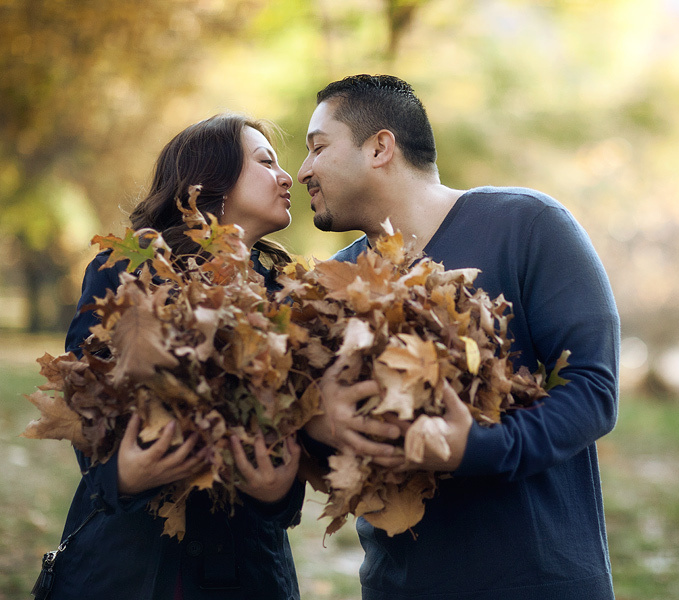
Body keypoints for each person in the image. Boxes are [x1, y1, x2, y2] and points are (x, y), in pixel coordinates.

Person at [298, 74, 620, 600]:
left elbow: (593, 391)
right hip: (398, 587)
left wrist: (478, 447)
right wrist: (318, 417)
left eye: (317, 148)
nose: (304, 170)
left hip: (537, 583)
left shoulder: (527, 226)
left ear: (380, 147)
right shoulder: (331, 284)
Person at [55, 113, 305, 600]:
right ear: (212, 179)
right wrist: (121, 476)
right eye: (265, 161)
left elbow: (300, 431)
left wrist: (279, 493)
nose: (286, 175)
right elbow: (85, 392)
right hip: (130, 569)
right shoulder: (126, 272)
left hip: (247, 571)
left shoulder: (290, 296)